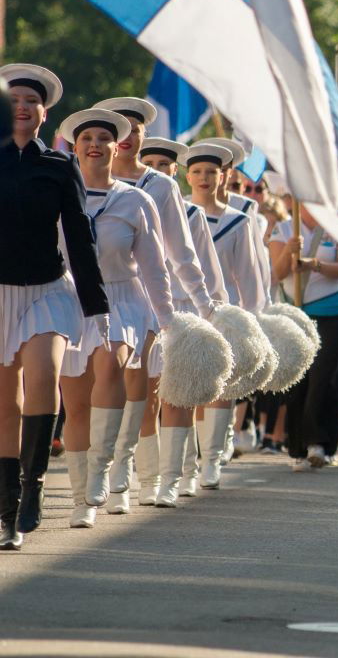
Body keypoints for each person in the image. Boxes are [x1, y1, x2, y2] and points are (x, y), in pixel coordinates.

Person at [0, 65, 108, 550]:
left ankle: (34, 486)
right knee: (5, 405)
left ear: (45, 113)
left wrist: (96, 304)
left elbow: (80, 235)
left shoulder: (60, 166)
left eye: (32, 101)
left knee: (43, 374)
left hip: (48, 290)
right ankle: (6, 511)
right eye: (14, 100)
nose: (22, 107)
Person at [96, 98, 221, 513]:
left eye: (135, 129)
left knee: (159, 392)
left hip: (156, 300)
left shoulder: (162, 186)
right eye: (121, 128)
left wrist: (206, 307)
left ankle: (156, 477)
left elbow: (182, 253)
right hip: (103, 299)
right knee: (118, 392)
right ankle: (125, 474)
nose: (127, 136)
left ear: (143, 134)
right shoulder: (84, 177)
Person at [58, 109, 175, 529]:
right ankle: (81, 498)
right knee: (75, 405)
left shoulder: (136, 201)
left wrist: (169, 322)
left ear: (115, 146)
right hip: (69, 300)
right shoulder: (56, 193)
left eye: (103, 138)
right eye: (86, 137)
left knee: (111, 364)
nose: (95, 144)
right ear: (75, 147)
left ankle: (103, 474)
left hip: (122, 299)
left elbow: (155, 268)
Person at [136, 137, 228, 507]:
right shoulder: (125, 202)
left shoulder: (192, 215)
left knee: (179, 397)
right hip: (142, 309)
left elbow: (203, 267)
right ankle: (148, 479)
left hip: (182, 309)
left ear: (175, 172)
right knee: (144, 399)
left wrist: (213, 312)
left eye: (164, 166)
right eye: (150, 164)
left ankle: (176, 477)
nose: (157, 171)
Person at [185, 144, 267, 487]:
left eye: (211, 172)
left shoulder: (240, 220)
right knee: (188, 387)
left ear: (224, 176)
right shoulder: (179, 213)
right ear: (187, 176)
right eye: (197, 171)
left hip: (226, 312)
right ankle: (187, 462)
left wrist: (254, 318)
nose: (204, 178)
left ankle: (212, 460)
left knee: (222, 387)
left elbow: (249, 274)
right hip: (187, 308)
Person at [268, 198, 338, 472]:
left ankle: (319, 443)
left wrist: (314, 264)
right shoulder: (284, 229)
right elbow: (277, 273)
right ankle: (298, 448)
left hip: (334, 311)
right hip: (296, 312)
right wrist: (288, 251)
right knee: (298, 380)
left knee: (323, 377)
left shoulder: (337, 227)